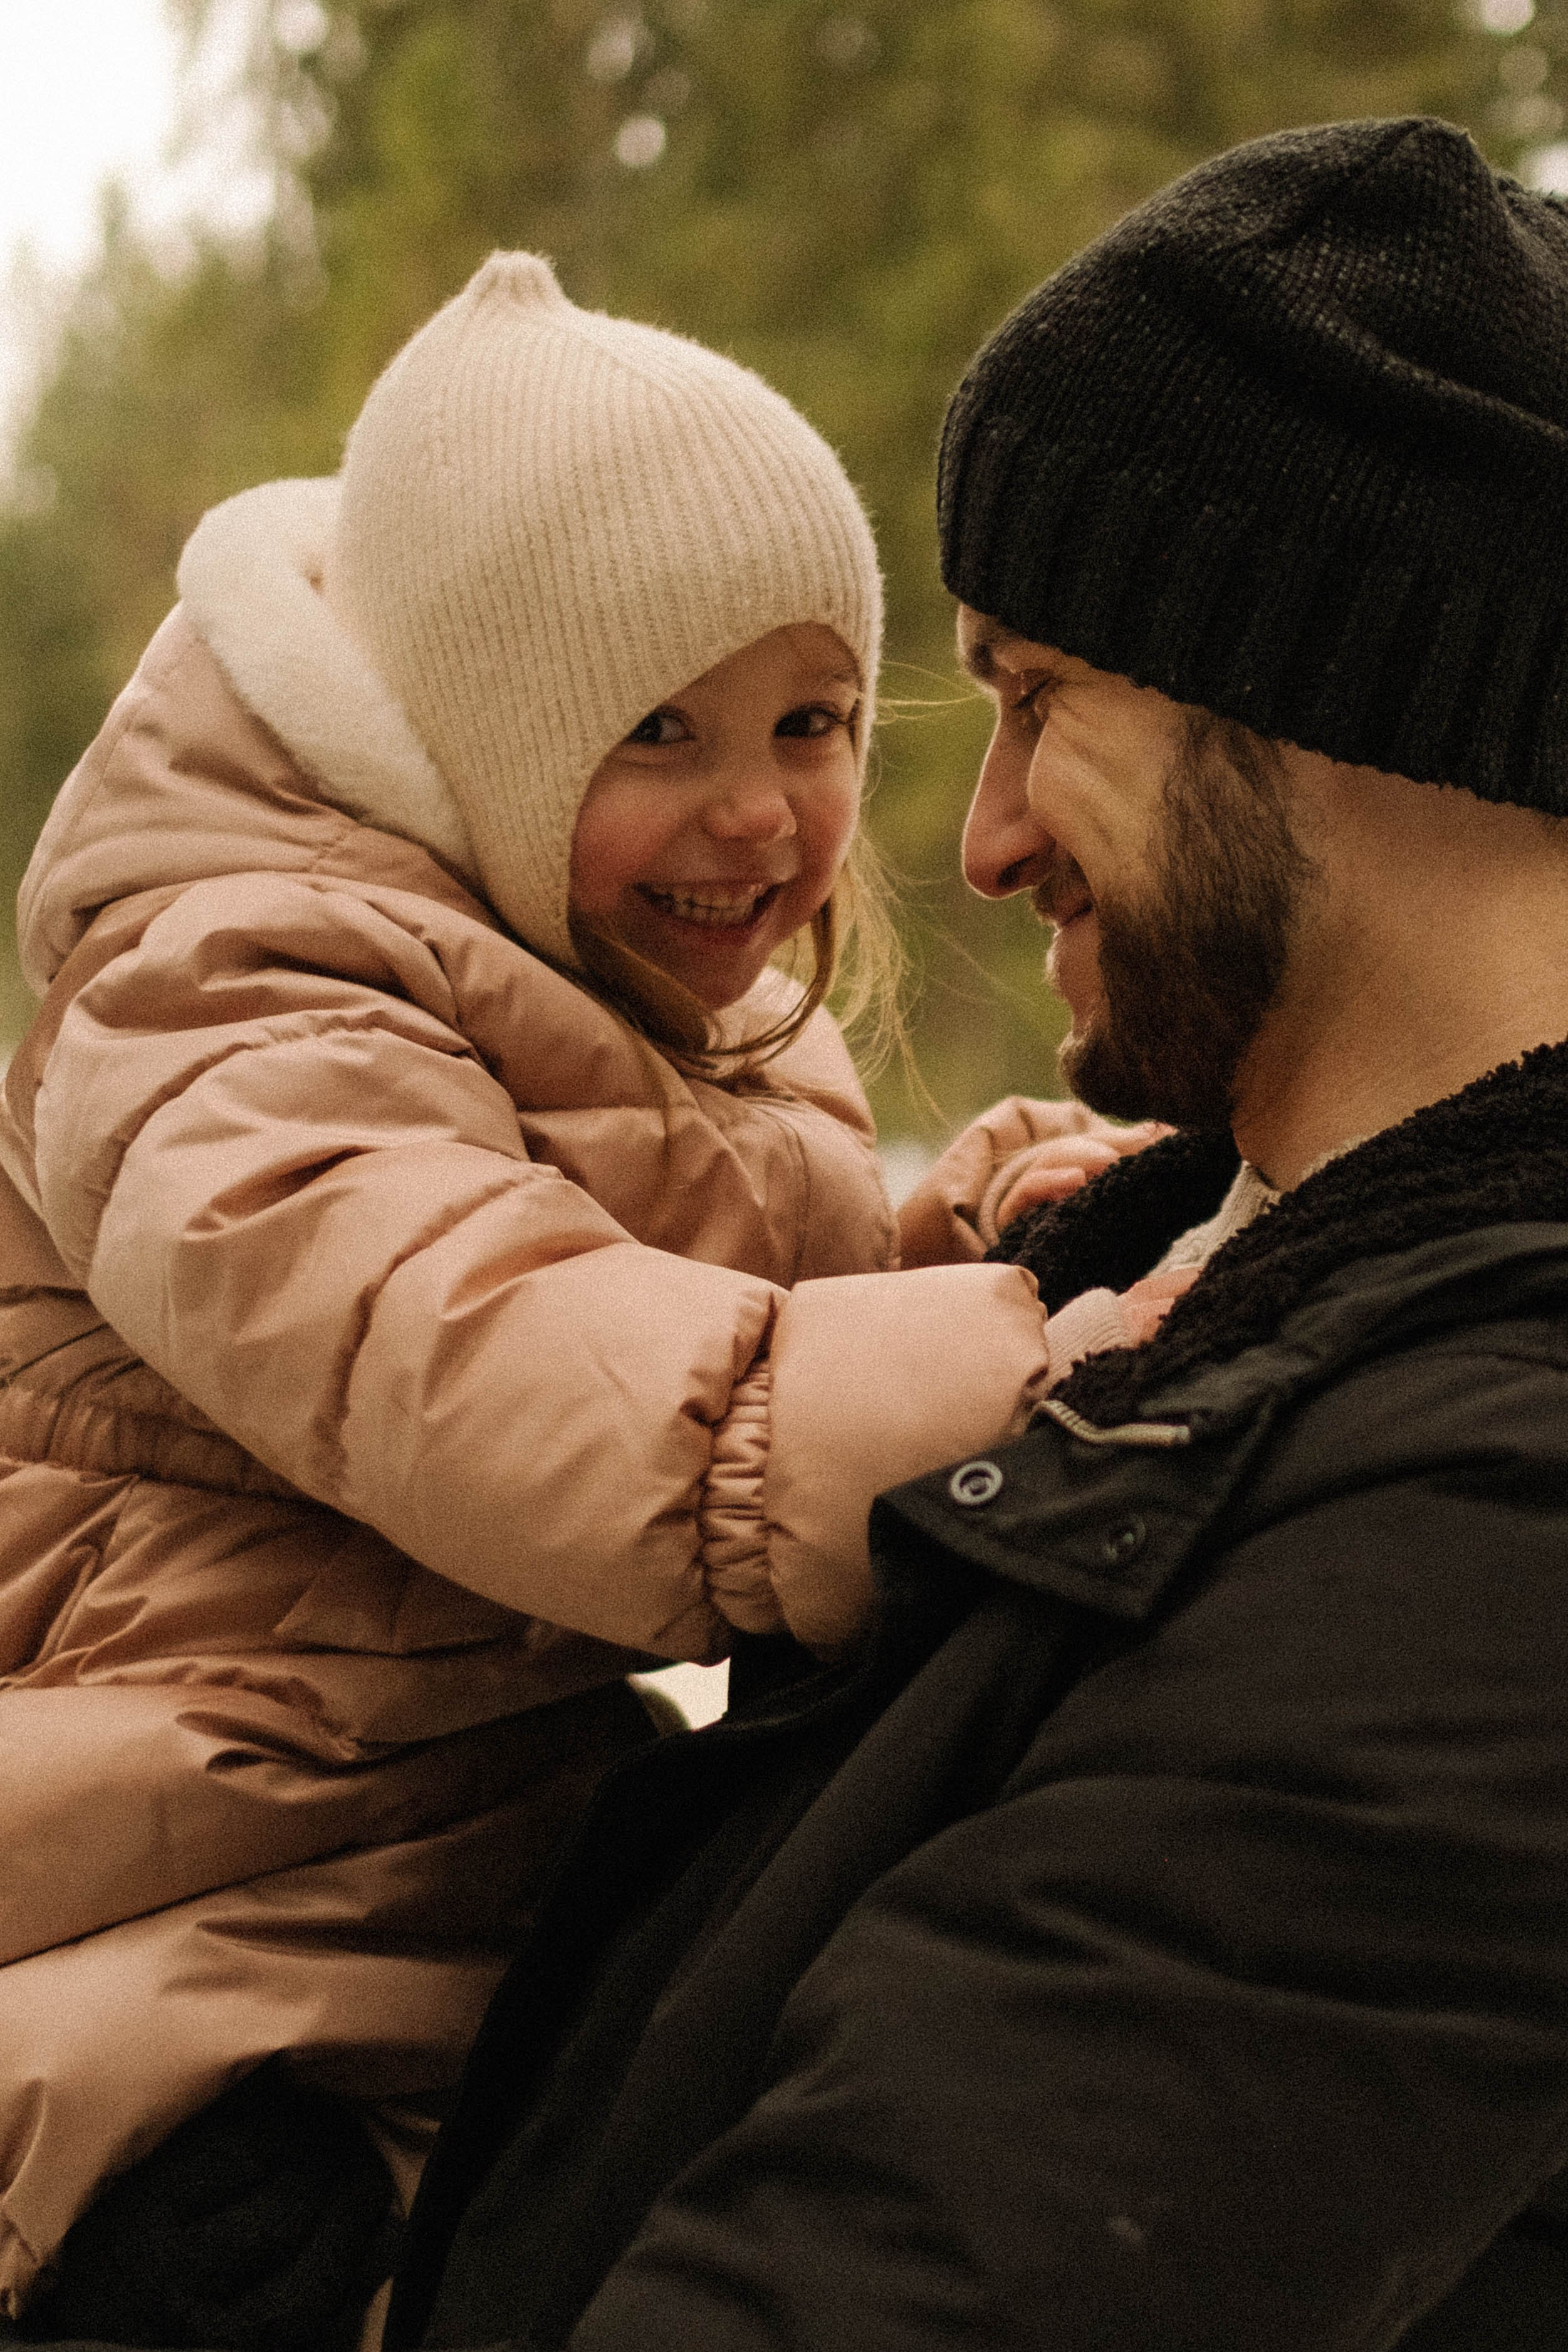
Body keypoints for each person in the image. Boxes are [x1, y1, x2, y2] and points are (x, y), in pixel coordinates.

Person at [335, 116, 1568, 2351]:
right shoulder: (1202, 1276)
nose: (978, 838)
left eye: (1038, 699)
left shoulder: (1502, 1517)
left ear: (1317, 702)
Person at [0, 254, 1169, 2348]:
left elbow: (717, 1327)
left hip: (446, 1812)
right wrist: (1024, 1378)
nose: (758, 808)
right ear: (477, 731)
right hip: (178, 1834)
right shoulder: (234, 983)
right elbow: (481, 1352)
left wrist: (985, 1248)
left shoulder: (663, 990)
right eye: (656, 728)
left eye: (808, 720)